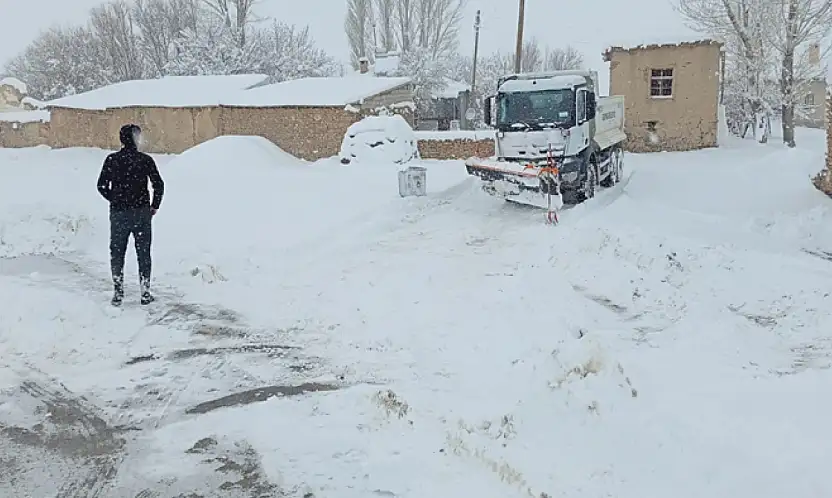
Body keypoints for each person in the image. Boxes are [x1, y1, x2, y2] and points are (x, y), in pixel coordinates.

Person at [96, 124, 164, 306]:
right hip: (142, 213)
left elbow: (101, 186)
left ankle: (118, 292)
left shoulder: (112, 160)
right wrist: (153, 206)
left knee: (117, 252)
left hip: (119, 214)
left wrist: (115, 199)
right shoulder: (145, 160)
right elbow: (159, 184)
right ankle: (145, 292)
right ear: (135, 139)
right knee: (143, 253)